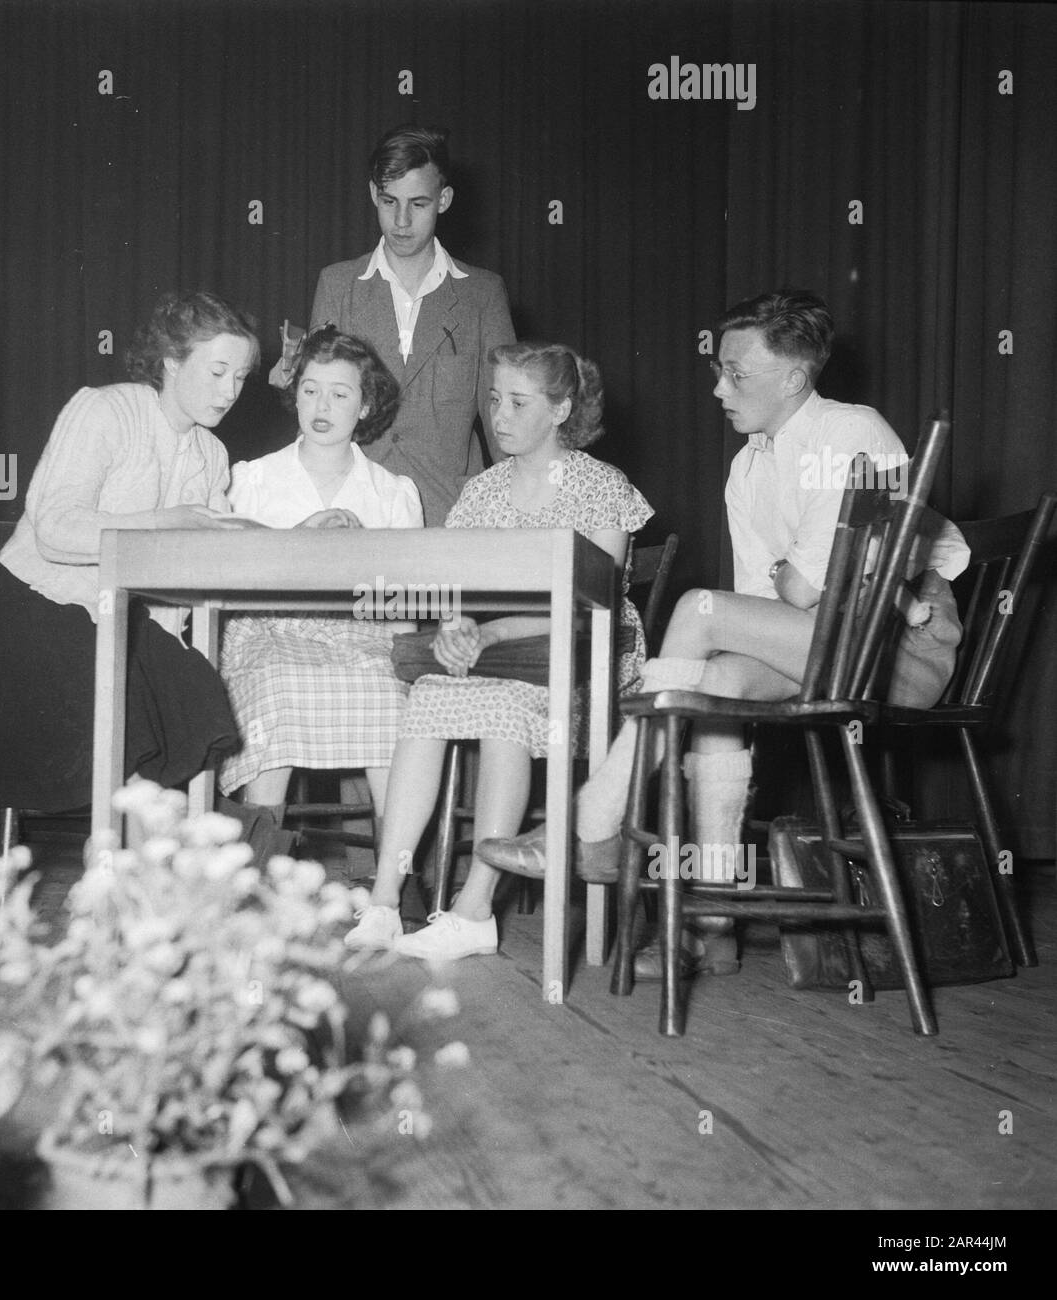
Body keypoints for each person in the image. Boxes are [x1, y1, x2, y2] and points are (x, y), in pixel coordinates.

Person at [477, 289, 970, 977]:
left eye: (735, 373)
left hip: (896, 653)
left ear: (794, 378)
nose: (716, 387)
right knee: (715, 677)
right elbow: (780, 599)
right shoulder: (747, 468)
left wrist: (795, 582)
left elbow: (808, 589)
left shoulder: (854, 430)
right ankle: (712, 921)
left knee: (700, 611)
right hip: (815, 643)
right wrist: (793, 581)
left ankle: (590, 821)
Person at [343, 341, 654, 961]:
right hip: (498, 656)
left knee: (503, 707)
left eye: (518, 401)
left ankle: (475, 908)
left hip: (584, 664)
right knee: (428, 697)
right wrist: (457, 621)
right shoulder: (480, 492)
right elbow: (453, 580)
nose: (499, 415)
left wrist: (491, 632)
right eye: (494, 400)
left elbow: (588, 604)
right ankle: (382, 901)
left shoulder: (604, 488)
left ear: (563, 409)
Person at [0, 291, 266, 816]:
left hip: (118, 624)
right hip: (35, 613)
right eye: (218, 371)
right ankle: (139, 860)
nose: (230, 391)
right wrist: (162, 521)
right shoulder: (105, 408)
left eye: (241, 376)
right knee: (129, 692)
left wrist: (270, 535)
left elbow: (205, 565)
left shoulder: (212, 454)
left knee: (194, 688)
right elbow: (56, 531)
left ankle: (160, 855)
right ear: (172, 362)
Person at [217, 327, 424, 823]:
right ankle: (261, 872)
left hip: (362, 640)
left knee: (389, 695)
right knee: (276, 686)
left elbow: (407, 607)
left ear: (366, 405)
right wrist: (297, 540)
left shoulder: (393, 493)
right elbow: (226, 584)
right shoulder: (252, 480)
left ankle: (391, 887)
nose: (322, 406)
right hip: (270, 635)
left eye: (340, 393)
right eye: (310, 390)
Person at [273, 124, 516, 526]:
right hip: (356, 516)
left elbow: (503, 423)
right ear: (373, 194)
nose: (401, 221)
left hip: (453, 517)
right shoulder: (337, 284)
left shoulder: (484, 295)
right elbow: (320, 416)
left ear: (444, 199)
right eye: (389, 201)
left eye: (418, 204)